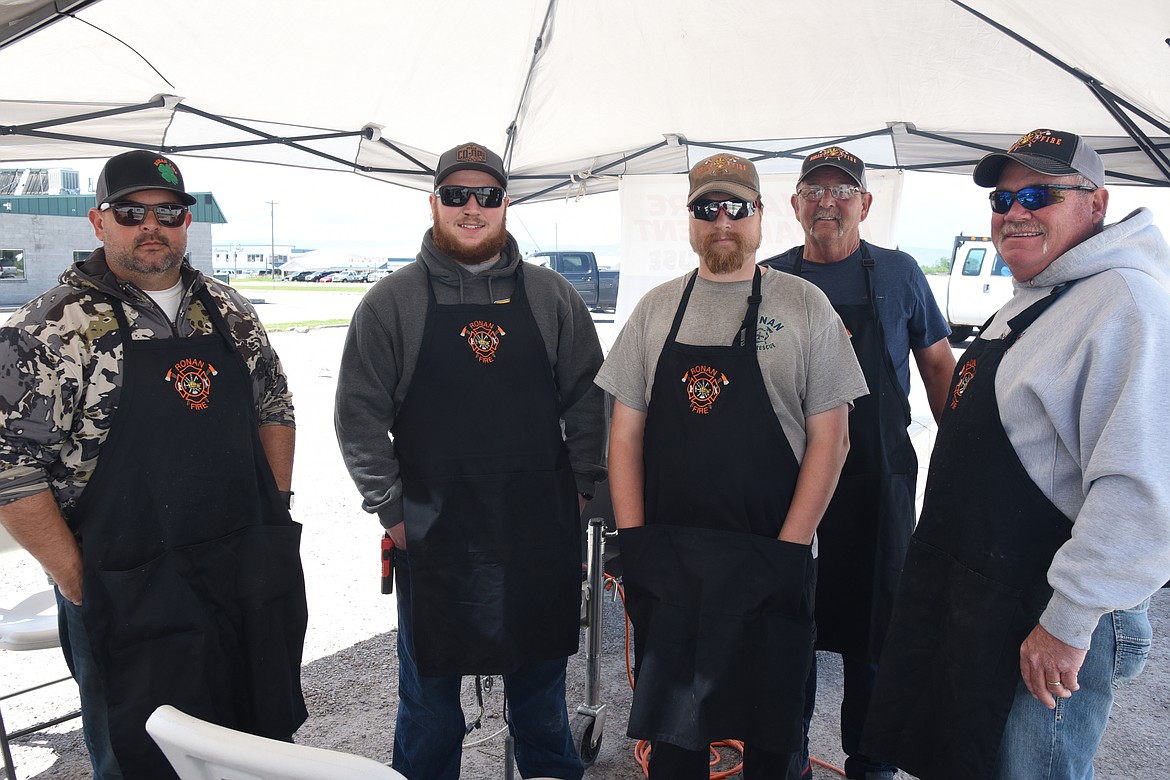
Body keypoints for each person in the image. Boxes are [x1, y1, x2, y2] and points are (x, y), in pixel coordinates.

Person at [863, 129, 1170, 779]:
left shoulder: (1127, 305)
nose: (1015, 213)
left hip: (1048, 611)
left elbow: (1139, 491)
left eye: (1038, 194)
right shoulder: (1031, 303)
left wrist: (1068, 622)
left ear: (1096, 204)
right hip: (989, 599)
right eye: (1003, 201)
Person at [0, 150, 307, 779]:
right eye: (131, 210)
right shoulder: (52, 326)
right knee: (144, 755)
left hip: (241, 567)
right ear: (98, 220)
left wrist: (274, 511)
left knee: (254, 742)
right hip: (127, 582)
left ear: (186, 223)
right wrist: (78, 580)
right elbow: (8, 465)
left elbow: (274, 404)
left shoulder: (228, 310)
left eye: (168, 212)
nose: (151, 225)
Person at [334, 141, 606, 780]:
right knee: (430, 710)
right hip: (434, 536)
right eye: (456, 195)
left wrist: (582, 491)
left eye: (486, 195)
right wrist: (393, 512)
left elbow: (591, 402)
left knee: (541, 704)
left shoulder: (552, 298)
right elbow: (358, 419)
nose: (472, 207)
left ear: (506, 205)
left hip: (537, 531)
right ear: (434, 204)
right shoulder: (390, 304)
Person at [596, 152, 868, 779]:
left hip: (770, 561)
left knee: (774, 747)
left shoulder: (804, 307)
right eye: (706, 208)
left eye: (737, 207)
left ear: (761, 218)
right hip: (671, 564)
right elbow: (625, 436)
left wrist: (789, 551)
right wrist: (635, 544)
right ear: (689, 221)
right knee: (675, 746)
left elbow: (833, 440)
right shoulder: (655, 310)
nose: (723, 220)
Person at [760, 145, 955, 780]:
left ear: (864, 204)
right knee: (788, 625)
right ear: (793, 206)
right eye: (813, 192)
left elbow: (937, 369)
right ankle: (786, 759)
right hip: (787, 480)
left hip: (880, 480)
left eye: (841, 191)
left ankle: (871, 763)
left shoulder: (899, 275)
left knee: (879, 634)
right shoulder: (768, 280)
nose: (827, 202)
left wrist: (965, 460)